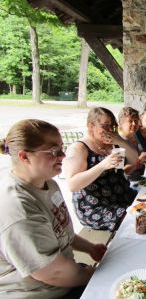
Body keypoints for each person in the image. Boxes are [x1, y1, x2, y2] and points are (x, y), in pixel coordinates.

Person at [0, 119, 107, 298]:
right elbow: (52, 272)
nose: (63, 156)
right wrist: (94, 275)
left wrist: (90, 248)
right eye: (53, 151)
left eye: (62, 149)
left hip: (64, 276)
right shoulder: (18, 207)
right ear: (24, 156)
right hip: (38, 292)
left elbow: (61, 231)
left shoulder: (48, 183)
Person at [63, 107, 139, 231]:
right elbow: (73, 184)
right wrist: (103, 165)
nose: (110, 130)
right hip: (96, 207)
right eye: (105, 126)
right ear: (91, 126)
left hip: (122, 197)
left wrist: (120, 141)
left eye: (113, 126)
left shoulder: (112, 143)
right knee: (137, 221)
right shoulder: (79, 148)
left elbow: (135, 160)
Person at [118, 107, 146, 178]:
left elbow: (142, 156)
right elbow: (120, 173)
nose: (134, 123)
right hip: (128, 182)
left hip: (141, 176)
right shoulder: (119, 142)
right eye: (130, 121)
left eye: (136, 120)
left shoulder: (135, 135)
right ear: (121, 123)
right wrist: (139, 160)